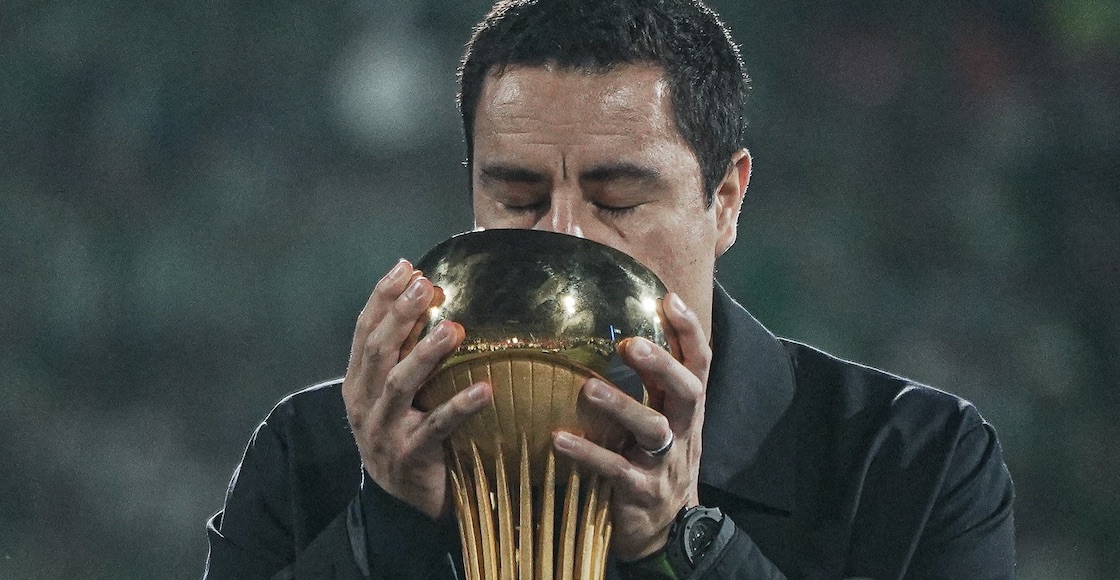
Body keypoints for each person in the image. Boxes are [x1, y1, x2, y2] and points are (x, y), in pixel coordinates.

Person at [204, 0, 1016, 578]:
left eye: (619, 200)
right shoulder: (314, 455)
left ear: (725, 201)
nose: (564, 236)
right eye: (517, 197)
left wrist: (690, 546)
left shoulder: (911, 461)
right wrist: (388, 528)